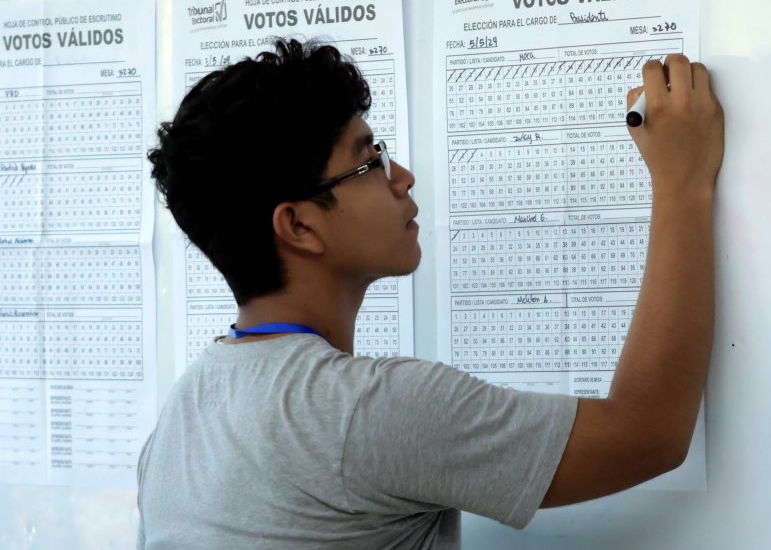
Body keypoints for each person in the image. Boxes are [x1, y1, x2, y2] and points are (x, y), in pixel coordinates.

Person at [137, 38, 724, 549]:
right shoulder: (367, 410)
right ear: (299, 227)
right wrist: (683, 181)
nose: (401, 177)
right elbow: (648, 433)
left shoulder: (184, 412)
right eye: (367, 161)